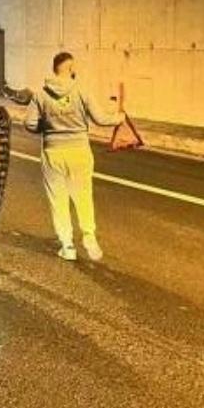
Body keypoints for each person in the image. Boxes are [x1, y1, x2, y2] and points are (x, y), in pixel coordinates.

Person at [24, 52, 124, 261]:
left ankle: (67, 246)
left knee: (58, 199)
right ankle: (89, 236)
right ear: (70, 68)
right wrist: (119, 118)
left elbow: (30, 124)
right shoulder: (82, 90)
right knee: (83, 196)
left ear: (55, 69)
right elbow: (100, 119)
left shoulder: (40, 95)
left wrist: (48, 127)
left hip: (53, 152)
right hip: (79, 151)